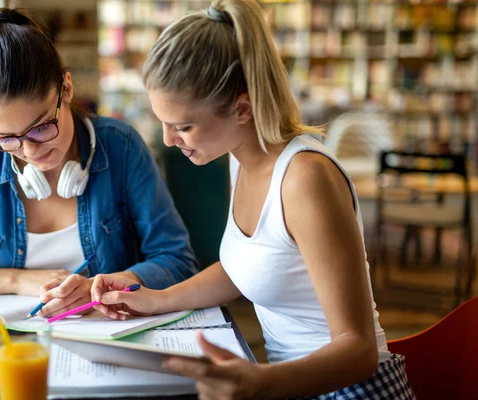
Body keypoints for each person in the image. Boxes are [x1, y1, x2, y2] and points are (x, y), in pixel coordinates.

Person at [90, 1, 414, 398]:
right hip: (292, 382)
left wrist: (259, 382)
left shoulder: (305, 179)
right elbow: (248, 266)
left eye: (184, 126)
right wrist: (154, 300)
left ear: (242, 108)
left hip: (349, 388)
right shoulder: (239, 158)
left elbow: (358, 350)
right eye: (163, 122)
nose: (168, 140)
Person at [0, 8, 198, 317]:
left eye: (41, 127)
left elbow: (177, 260)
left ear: (67, 88)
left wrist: (106, 287)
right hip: (2, 352)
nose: (29, 152)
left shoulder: (122, 148)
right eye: (6, 138)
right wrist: (15, 281)